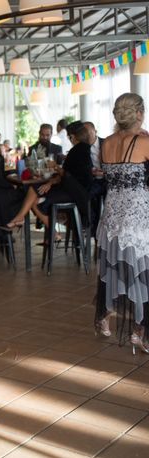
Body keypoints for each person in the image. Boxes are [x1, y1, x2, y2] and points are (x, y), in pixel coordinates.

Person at [94, 93, 149, 353]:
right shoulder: (145, 143)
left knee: (114, 269)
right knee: (143, 274)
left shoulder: (106, 144)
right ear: (138, 114)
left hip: (112, 218)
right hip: (138, 220)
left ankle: (104, 318)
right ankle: (141, 331)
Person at [7, 121, 93, 230]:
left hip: (75, 193)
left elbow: (67, 175)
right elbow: (68, 175)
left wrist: (55, 167)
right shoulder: (83, 149)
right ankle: (52, 232)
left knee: (35, 194)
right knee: (35, 192)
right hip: (76, 190)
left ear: (73, 136)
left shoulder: (77, 150)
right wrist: (51, 181)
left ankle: (23, 219)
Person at [84, 121, 107, 233]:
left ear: (95, 131)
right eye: (83, 133)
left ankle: (106, 227)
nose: (86, 135)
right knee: (86, 195)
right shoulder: (82, 148)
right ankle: (92, 227)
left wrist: (105, 172)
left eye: (88, 132)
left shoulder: (106, 143)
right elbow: (81, 167)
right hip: (94, 180)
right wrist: (91, 171)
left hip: (108, 179)